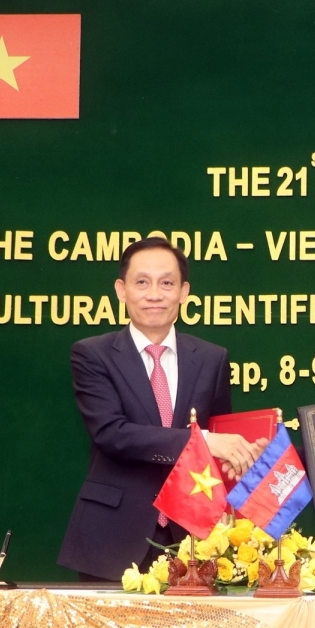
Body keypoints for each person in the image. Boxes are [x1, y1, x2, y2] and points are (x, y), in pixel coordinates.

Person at [58, 237, 264, 582]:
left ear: (184, 291)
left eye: (167, 283)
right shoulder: (92, 354)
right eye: (142, 282)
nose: (155, 294)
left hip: (196, 535)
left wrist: (245, 454)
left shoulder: (212, 358)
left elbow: (221, 439)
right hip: (114, 538)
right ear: (121, 290)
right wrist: (204, 442)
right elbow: (111, 434)